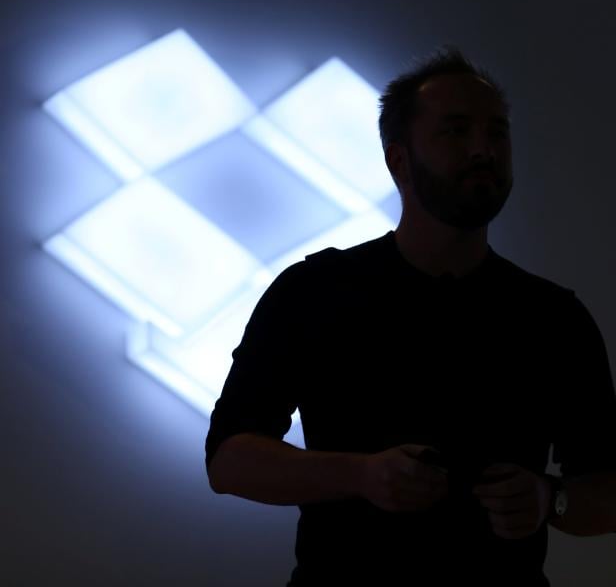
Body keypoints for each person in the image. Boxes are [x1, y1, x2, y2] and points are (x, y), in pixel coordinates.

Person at [205, 46, 616, 586]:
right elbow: (228, 460)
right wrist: (361, 475)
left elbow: (608, 490)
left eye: (497, 133)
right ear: (399, 160)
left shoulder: (553, 317)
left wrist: (549, 498)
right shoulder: (314, 292)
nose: (483, 150)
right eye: (456, 130)